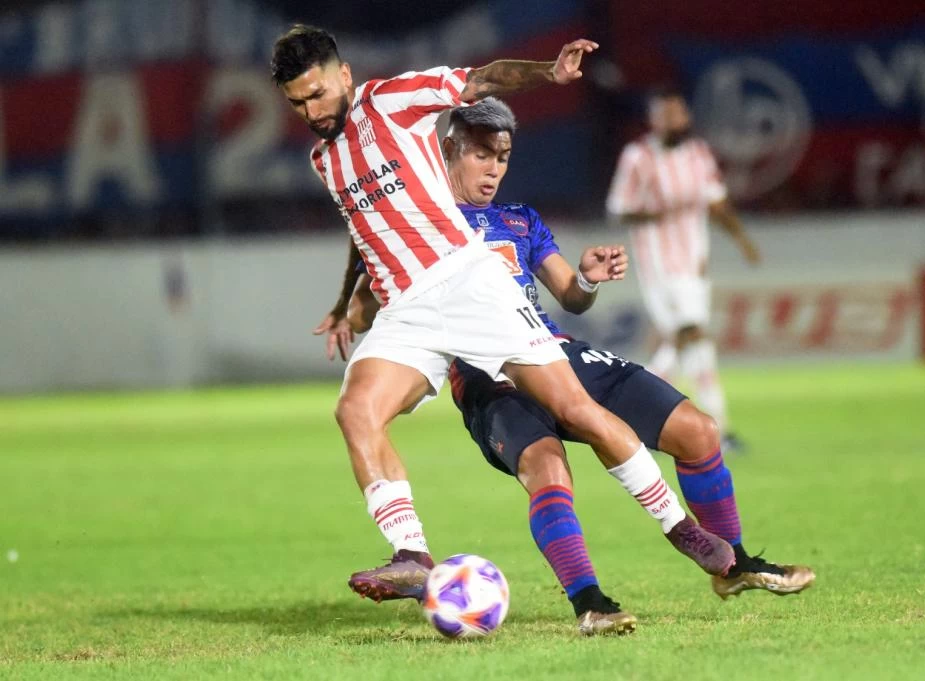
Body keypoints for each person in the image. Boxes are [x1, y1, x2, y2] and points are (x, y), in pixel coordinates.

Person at [271, 25, 734, 610]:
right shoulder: (324, 157)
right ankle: (412, 556)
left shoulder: (391, 101)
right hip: (407, 309)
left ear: (343, 75)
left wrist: (549, 72)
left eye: (317, 95)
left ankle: (679, 527)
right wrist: (344, 305)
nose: (310, 111)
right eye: (296, 103)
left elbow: (482, 79)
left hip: (470, 283)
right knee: (355, 409)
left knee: (576, 410)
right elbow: (362, 231)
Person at [337, 98, 814, 634]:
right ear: (448, 148)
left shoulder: (519, 220)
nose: (494, 169)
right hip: (486, 380)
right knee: (547, 469)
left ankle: (736, 564)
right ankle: (591, 602)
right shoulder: (419, 226)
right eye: (480, 155)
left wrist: (586, 277)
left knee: (698, 431)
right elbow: (373, 292)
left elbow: (569, 294)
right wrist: (352, 310)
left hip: (555, 351)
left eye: (503, 157)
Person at [606, 87, 761, 452]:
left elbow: (716, 202)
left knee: (689, 339)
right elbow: (617, 207)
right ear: (656, 120)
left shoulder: (698, 154)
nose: (680, 121)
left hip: (694, 263)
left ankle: (634, 411)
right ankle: (718, 428)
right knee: (692, 333)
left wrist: (742, 240)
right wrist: (659, 212)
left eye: (682, 114)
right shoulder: (638, 157)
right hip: (658, 263)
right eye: (671, 115)